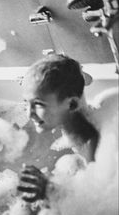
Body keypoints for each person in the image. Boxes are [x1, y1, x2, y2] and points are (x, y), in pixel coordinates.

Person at [18, 54, 102, 203]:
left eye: (38, 104)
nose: (29, 114)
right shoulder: (71, 124)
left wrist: (49, 189)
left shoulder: (90, 141)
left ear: (71, 104)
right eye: (26, 103)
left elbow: (97, 202)